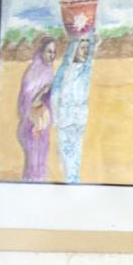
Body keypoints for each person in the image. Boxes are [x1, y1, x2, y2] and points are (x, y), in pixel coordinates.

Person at [52, 34, 95, 183]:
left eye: (87, 49)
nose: (85, 52)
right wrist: (56, 119)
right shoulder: (64, 72)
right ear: (74, 49)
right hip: (64, 122)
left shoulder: (85, 71)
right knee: (66, 159)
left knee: (76, 158)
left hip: (79, 122)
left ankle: (74, 182)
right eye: (82, 48)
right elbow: (55, 95)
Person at [15, 36, 57, 181]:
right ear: (41, 51)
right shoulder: (33, 73)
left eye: (54, 52)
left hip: (42, 125)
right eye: (49, 51)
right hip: (31, 126)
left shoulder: (49, 72)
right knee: (33, 165)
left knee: (41, 163)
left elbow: (50, 99)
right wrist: (41, 92)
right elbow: (25, 102)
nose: (52, 55)